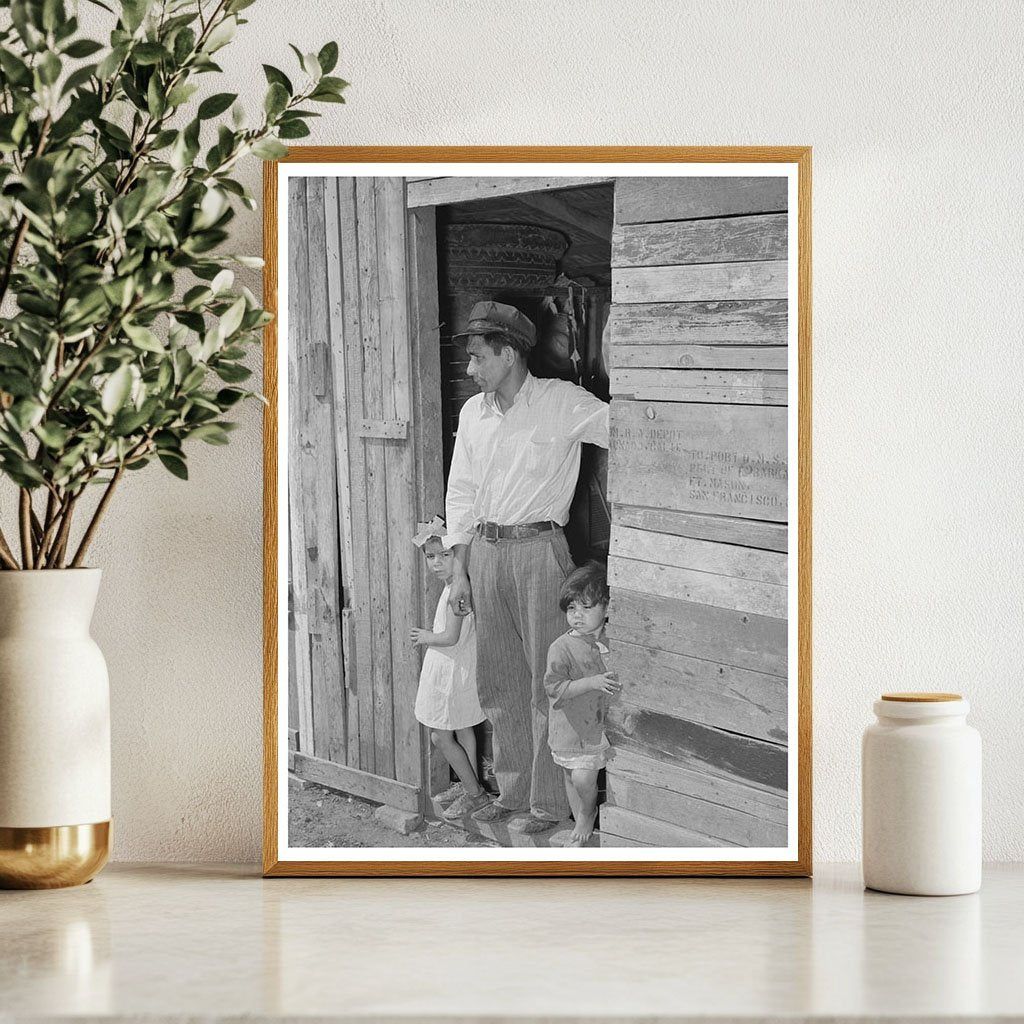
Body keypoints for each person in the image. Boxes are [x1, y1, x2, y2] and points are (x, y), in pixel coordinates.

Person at [444, 300, 610, 834]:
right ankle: (511, 792)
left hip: (541, 551)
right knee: (499, 681)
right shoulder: (474, 415)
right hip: (486, 555)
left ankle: (546, 804)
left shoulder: (563, 402)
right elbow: (461, 495)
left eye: (477, 357)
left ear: (509, 353)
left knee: (548, 681)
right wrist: (460, 569)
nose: (469, 369)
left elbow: (631, 431)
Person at [410, 516, 491, 821]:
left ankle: (474, 793)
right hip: (459, 668)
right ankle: (470, 782)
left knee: (440, 737)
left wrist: (425, 637)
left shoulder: (456, 591)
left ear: (459, 554)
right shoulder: (454, 588)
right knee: (463, 728)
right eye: (430, 557)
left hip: (449, 671)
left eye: (445, 555)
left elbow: (451, 636)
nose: (437, 563)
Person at [544, 563, 620, 847]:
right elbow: (554, 687)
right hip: (571, 727)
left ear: (607, 608)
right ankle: (583, 816)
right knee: (573, 776)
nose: (577, 615)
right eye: (571, 608)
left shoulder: (616, 639)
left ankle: (586, 815)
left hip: (599, 727)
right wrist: (591, 682)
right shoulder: (561, 647)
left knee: (582, 777)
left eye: (586, 608)